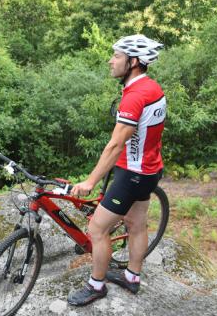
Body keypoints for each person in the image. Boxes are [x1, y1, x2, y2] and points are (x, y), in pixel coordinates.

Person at [67, 34, 166, 306]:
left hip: (132, 175)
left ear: (134, 62)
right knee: (136, 223)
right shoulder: (153, 88)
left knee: (97, 229)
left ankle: (96, 285)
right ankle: (132, 276)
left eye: (117, 56)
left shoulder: (135, 96)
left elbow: (115, 145)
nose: (111, 61)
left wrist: (90, 181)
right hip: (149, 171)